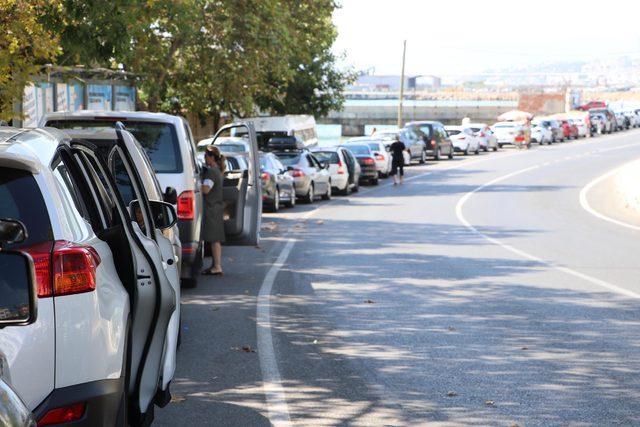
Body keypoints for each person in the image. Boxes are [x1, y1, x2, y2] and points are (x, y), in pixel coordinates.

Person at [201, 146, 226, 275]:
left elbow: (206, 189)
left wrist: (195, 186)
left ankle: (217, 266)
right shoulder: (217, 171)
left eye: (205, 156)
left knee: (214, 240)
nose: (204, 158)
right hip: (215, 208)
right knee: (214, 239)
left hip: (212, 209)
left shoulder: (211, 172)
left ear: (211, 157)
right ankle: (215, 265)